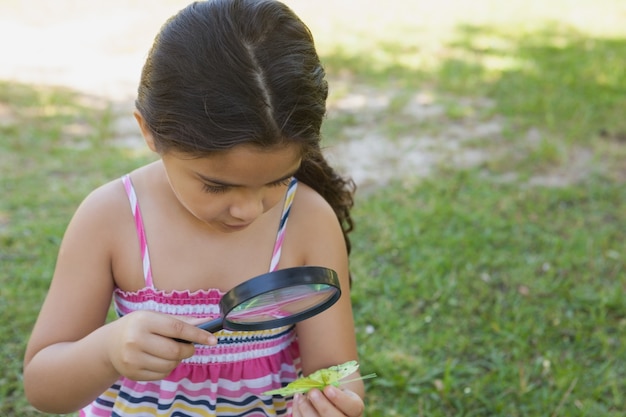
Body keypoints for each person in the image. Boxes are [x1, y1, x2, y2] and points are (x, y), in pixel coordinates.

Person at [22, 0, 365, 416]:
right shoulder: (111, 218)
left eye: (276, 180)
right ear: (149, 131)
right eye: (216, 185)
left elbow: (335, 369)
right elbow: (43, 388)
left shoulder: (307, 220)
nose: (247, 209)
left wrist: (334, 403)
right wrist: (108, 350)